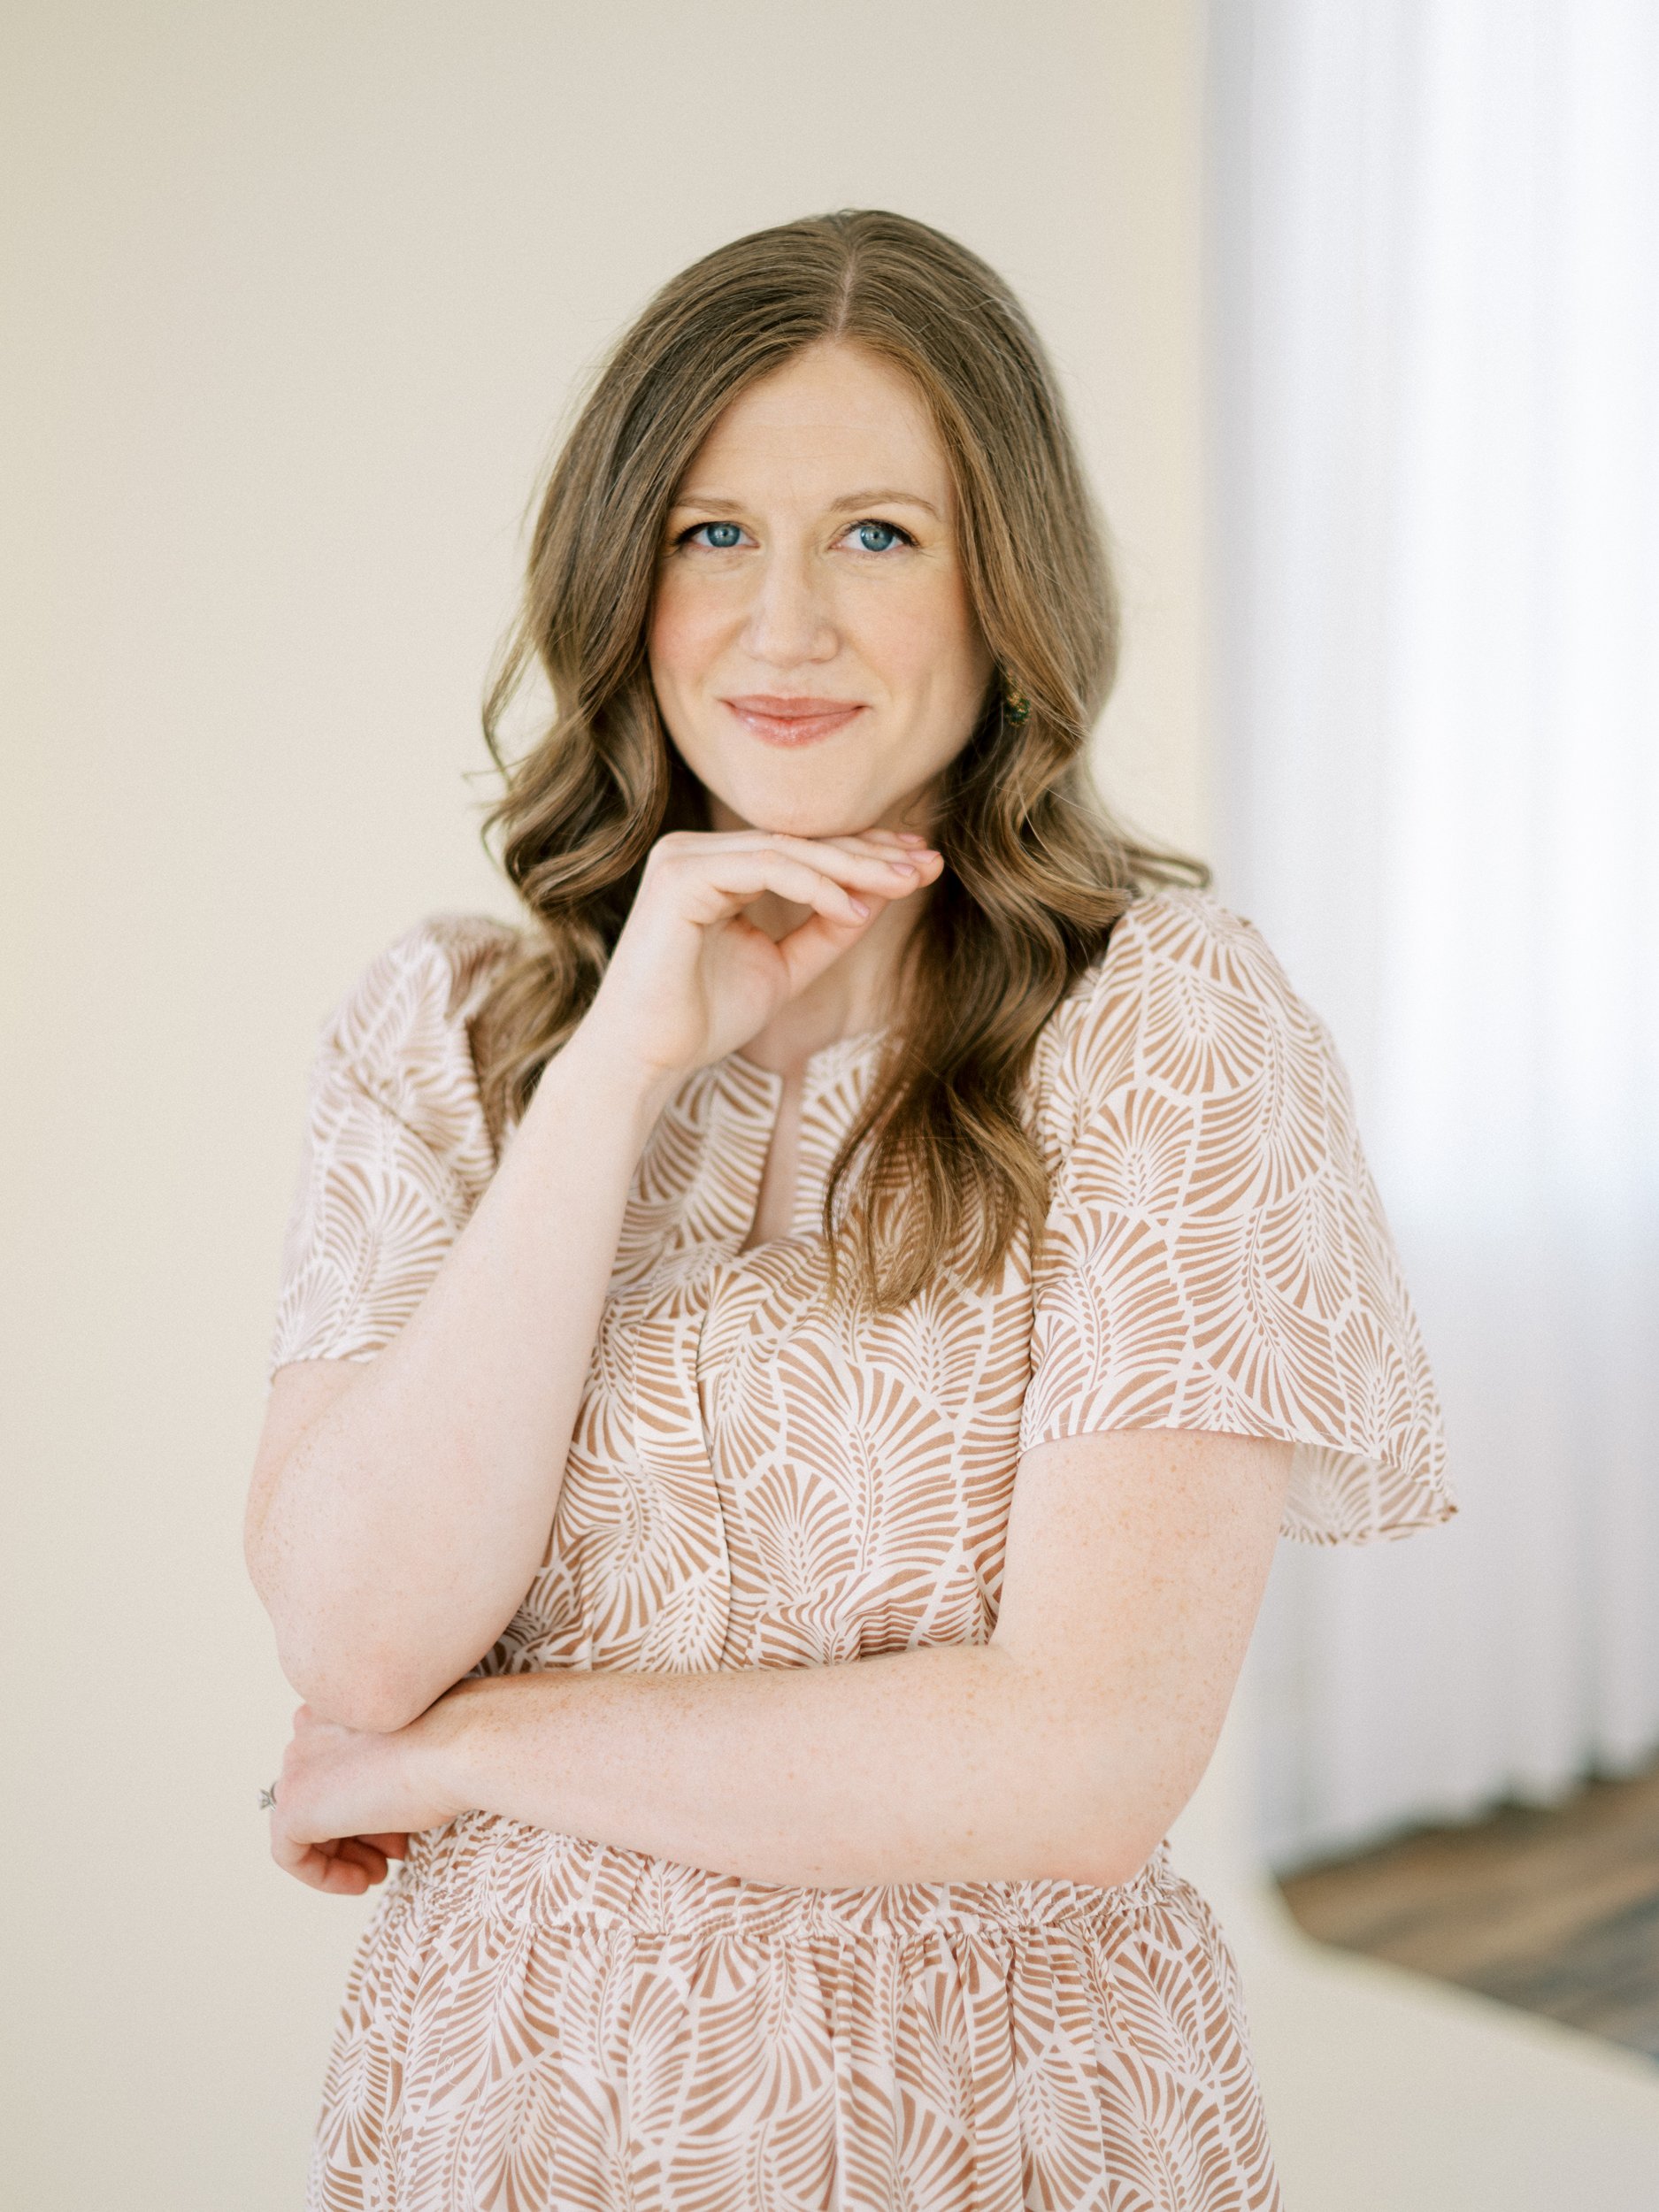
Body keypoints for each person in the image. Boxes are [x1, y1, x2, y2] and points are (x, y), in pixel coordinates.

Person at [245, 208, 1455, 2212]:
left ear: (1006, 593)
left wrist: (464, 1755)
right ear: (619, 577)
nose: (780, 622)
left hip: (979, 2115)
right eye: (710, 532)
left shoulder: (1162, 1027)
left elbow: (1072, 1764)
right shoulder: (441, 1027)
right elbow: (357, 1632)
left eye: (875, 534)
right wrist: (619, 1066)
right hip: (498, 2103)